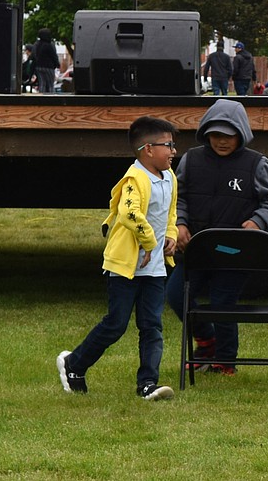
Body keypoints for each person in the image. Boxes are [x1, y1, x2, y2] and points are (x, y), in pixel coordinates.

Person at [57, 116, 179, 400]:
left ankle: (148, 385)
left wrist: (170, 234)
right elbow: (129, 214)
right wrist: (149, 242)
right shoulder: (134, 180)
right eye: (168, 145)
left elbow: (171, 211)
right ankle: (74, 364)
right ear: (148, 149)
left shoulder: (170, 177)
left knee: (152, 326)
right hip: (125, 267)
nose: (173, 151)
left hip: (155, 270)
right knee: (116, 324)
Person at [166, 98, 268, 375]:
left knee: (222, 304)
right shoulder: (191, 160)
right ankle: (206, 341)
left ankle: (226, 360)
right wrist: (179, 224)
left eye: (228, 136)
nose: (221, 141)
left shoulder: (256, 164)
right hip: (194, 250)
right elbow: (177, 197)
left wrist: (258, 222)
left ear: (241, 134)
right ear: (206, 133)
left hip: (234, 253)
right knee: (174, 295)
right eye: (216, 135)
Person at [33, 28, 59, 94]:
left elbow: (34, 55)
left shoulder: (37, 44)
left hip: (38, 67)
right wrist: (57, 64)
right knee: (50, 84)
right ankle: (51, 99)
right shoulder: (49, 45)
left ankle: (42, 98)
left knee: (42, 84)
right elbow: (54, 56)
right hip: (49, 67)